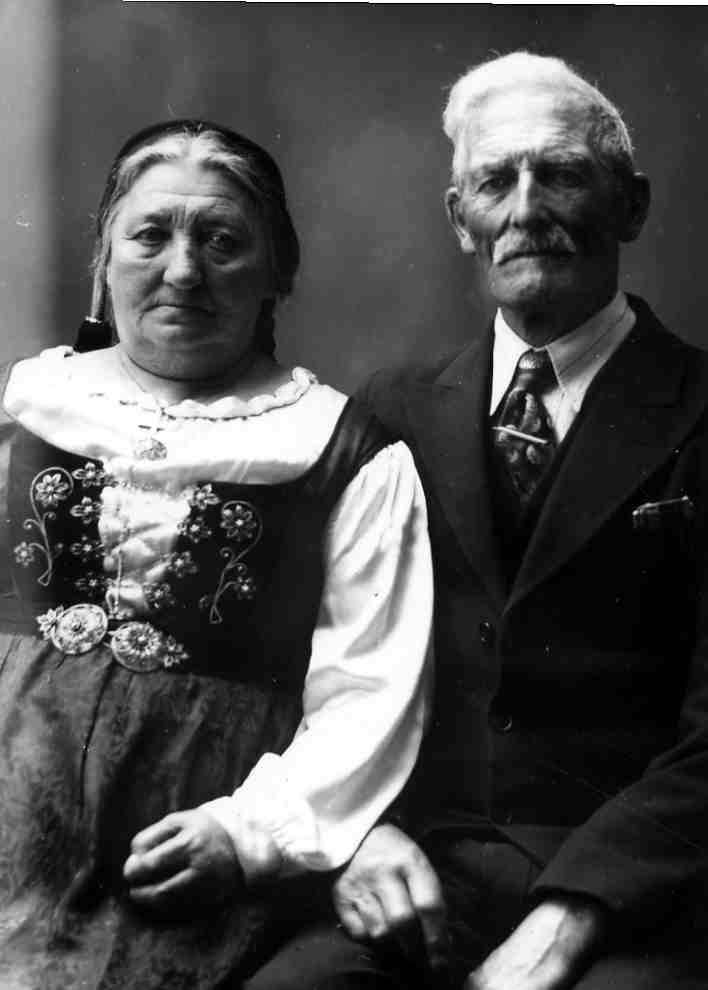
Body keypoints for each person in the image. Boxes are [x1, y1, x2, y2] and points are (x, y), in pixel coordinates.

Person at [0, 119, 433, 990]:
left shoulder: (346, 452)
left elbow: (369, 694)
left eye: (222, 242)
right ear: (104, 257)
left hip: (197, 867)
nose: (183, 270)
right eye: (150, 236)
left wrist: (247, 836)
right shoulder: (24, 409)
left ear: (279, 272)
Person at [334, 52, 708, 989]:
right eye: (495, 181)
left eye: (564, 174)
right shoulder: (391, 409)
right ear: (460, 219)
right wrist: (358, 833)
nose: (527, 208)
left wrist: (575, 916)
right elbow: (325, 669)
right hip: (422, 871)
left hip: (644, 893)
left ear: (632, 206)